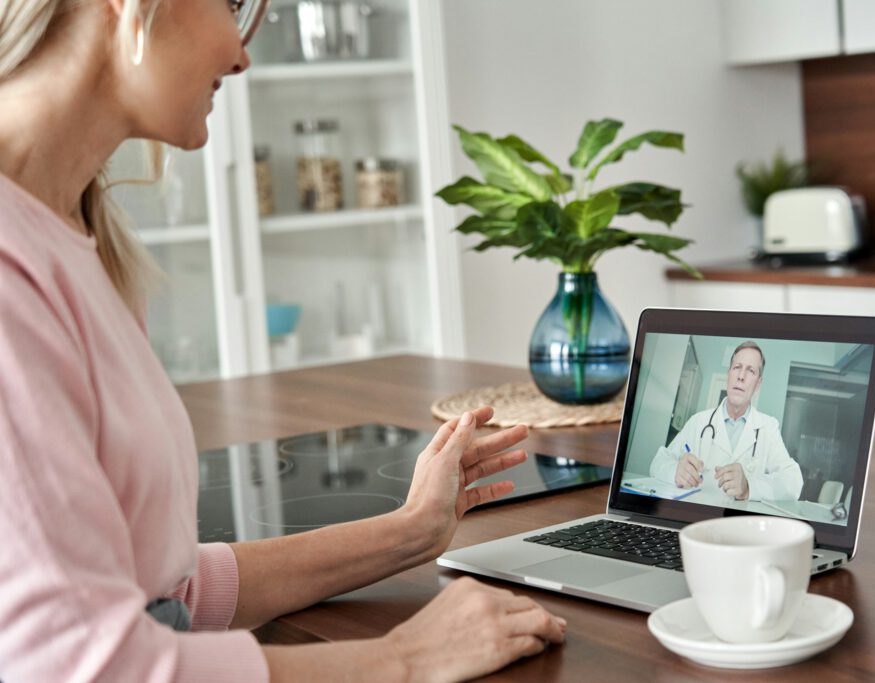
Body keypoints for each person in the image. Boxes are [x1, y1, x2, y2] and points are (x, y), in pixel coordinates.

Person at [0, 1, 565, 681]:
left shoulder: (75, 238)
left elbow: (169, 589)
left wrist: (412, 528)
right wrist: (404, 659)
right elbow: (76, 664)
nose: (240, 54)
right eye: (231, 6)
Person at [649, 341, 803, 502]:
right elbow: (658, 462)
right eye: (737, 367)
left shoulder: (768, 427)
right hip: (696, 517)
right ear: (728, 373)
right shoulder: (698, 421)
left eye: (750, 370)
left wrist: (749, 486)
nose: (741, 376)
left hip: (740, 524)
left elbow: (793, 482)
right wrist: (675, 471)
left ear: (758, 383)